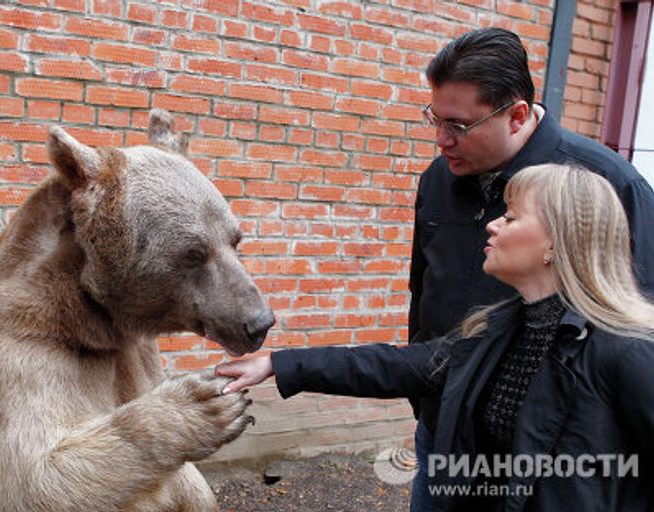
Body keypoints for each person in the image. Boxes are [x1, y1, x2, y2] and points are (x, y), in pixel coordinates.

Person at [216, 164, 654, 511]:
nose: (493, 225)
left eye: (512, 216)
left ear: (555, 244)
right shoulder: (499, 331)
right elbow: (400, 367)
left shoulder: (624, 350)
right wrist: (278, 364)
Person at [408, 27, 654, 510]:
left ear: (516, 114)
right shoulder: (438, 179)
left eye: (457, 125)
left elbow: (635, 323)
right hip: (445, 430)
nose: (441, 139)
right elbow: (423, 290)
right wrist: (428, 403)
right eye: (434, 119)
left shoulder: (609, 184)